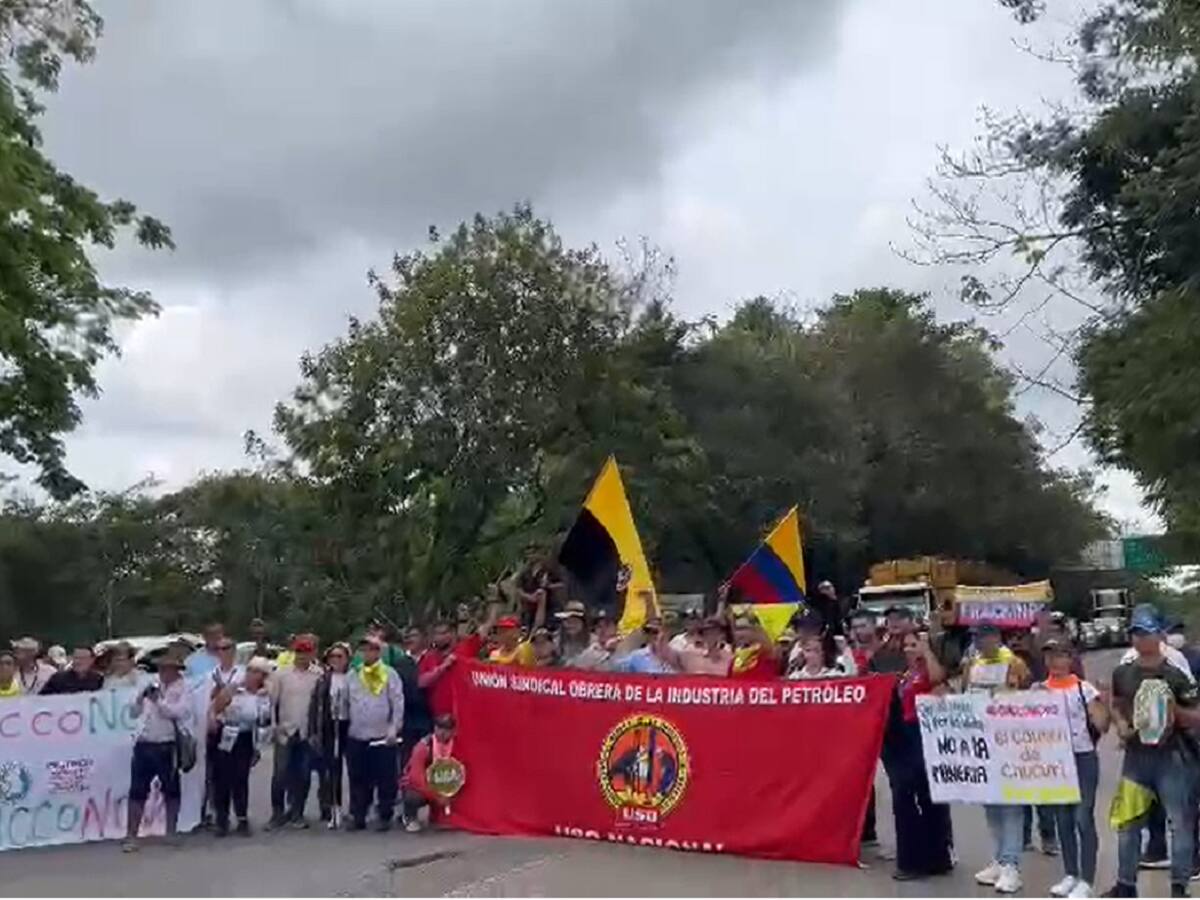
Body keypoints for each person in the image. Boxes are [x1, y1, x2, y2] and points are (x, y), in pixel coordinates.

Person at [1104, 604, 1200, 899]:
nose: (1140, 639)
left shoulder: (1177, 674)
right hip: (1136, 760)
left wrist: (1174, 713)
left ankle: (1179, 887)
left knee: (1180, 825)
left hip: (1172, 758)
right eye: (1136, 633)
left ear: (1160, 635)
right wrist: (1120, 725)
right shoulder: (1123, 673)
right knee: (1127, 826)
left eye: (1146, 632)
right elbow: (1117, 704)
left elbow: (1197, 716)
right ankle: (1125, 885)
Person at [1036, 639, 1108, 899]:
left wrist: (1102, 703)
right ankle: (1070, 873)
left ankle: (1086, 879)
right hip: (1055, 761)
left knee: (1082, 818)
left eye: (1060, 656)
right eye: (1049, 656)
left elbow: (1102, 725)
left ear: (1070, 659)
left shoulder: (1083, 689)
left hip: (1083, 757)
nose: (1054, 662)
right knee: (1062, 819)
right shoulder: (1038, 690)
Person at [968, 622, 1031, 894]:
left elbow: (1027, 699)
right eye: (975, 638)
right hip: (983, 741)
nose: (979, 643)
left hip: (1010, 741)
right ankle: (999, 858)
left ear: (996, 638)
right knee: (991, 804)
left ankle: (1011, 865)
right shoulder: (973, 663)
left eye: (983, 638)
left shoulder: (1014, 663)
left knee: (1011, 807)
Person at [884, 631, 952, 881]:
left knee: (924, 797)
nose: (909, 650)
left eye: (914, 645)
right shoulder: (905, 676)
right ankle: (921, 858)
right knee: (911, 797)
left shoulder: (927, 671)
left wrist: (926, 650)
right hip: (905, 736)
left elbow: (938, 677)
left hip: (924, 733)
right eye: (906, 646)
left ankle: (932, 859)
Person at [124, 649, 191, 852]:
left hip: (167, 744)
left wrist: (158, 702)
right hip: (144, 742)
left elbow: (180, 712)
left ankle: (170, 831)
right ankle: (132, 835)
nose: (163, 672)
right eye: (161, 668)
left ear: (176, 670)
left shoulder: (184, 688)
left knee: (171, 790)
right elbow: (133, 713)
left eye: (168, 669)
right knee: (137, 790)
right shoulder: (151, 684)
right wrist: (139, 699)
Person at [346, 635, 404, 831]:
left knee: (385, 779)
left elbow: (397, 703)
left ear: (378, 652)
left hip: (382, 736)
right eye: (364, 650)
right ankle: (358, 815)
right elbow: (346, 703)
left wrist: (393, 729)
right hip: (357, 734)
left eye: (371, 649)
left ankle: (384, 814)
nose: (367, 653)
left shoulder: (389, 674)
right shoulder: (353, 675)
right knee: (358, 778)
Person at [209, 657, 272, 837]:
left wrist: (259, 745)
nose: (252, 675)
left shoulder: (263, 694)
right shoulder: (235, 688)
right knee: (222, 779)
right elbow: (216, 707)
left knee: (240, 778)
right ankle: (222, 819)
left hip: (246, 737)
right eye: (250, 671)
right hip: (226, 734)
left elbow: (264, 720)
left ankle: (242, 818)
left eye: (257, 672)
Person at [267, 635, 322, 829]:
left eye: (305, 652)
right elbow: (272, 703)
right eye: (298, 652)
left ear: (312, 654)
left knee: (303, 774)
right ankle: (277, 813)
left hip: (306, 730)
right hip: (285, 728)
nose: (301, 656)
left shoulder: (318, 675)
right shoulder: (281, 674)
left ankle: (297, 812)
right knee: (280, 774)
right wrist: (274, 726)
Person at [419, 606, 496, 719]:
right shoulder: (429, 657)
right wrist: (442, 668)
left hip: (463, 713)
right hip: (439, 717)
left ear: (452, 633)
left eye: (443, 633)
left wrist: (494, 606)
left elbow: (484, 630)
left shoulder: (464, 648)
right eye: (436, 634)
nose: (439, 637)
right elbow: (422, 682)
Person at [310, 642, 352, 828]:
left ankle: (355, 808)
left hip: (349, 725)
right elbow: (315, 706)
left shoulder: (353, 677)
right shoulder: (323, 679)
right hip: (329, 726)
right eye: (332, 657)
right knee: (331, 770)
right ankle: (333, 808)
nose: (335, 660)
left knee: (353, 769)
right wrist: (314, 730)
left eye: (339, 656)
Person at [401, 712, 458, 833]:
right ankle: (409, 816)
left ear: (453, 731)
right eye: (439, 728)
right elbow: (416, 779)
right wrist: (437, 797)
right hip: (420, 785)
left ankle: (444, 817)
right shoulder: (423, 747)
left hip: (443, 782)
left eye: (447, 729)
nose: (442, 732)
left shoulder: (457, 746)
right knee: (413, 796)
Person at [610, 618, 679, 674]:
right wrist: (614, 650)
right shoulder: (637, 656)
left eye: (655, 631)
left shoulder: (675, 656)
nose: (652, 635)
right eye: (648, 631)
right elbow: (615, 668)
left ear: (666, 633)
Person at [728, 614, 779, 679]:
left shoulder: (765, 650)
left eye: (743, 629)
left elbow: (769, 649)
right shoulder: (735, 656)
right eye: (737, 630)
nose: (739, 633)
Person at [869, 606, 917, 674]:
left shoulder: (920, 643)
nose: (894, 622)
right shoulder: (880, 647)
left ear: (911, 621)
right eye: (890, 618)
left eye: (899, 618)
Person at [556, 600, 593, 664]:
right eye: (567, 621)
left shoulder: (593, 642)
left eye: (574, 621)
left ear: (584, 623)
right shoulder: (557, 640)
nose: (570, 625)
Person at [848, 608, 882, 674]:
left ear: (874, 625)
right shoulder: (849, 654)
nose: (858, 631)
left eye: (862, 626)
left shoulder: (886, 649)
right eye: (855, 627)